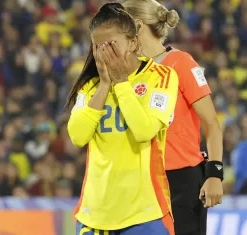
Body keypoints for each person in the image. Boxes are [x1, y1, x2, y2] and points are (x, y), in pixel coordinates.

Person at [66, 3, 179, 235]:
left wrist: (120, 83)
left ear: (134, 42)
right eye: (98, 46)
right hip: (94, 216)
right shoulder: (90, 87)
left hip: (145, 214)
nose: (105, 52)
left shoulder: (161, 77)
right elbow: (77, 137)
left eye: (112, 45)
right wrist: (105, 86)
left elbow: (144, 130)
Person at [122, 1, 224, 235]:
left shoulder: (181, 63)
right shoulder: (127, 71)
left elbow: (212, 124)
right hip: (141, 180)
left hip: (182, 180)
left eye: (121, 27)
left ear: (137, 26)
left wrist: (214, 174)